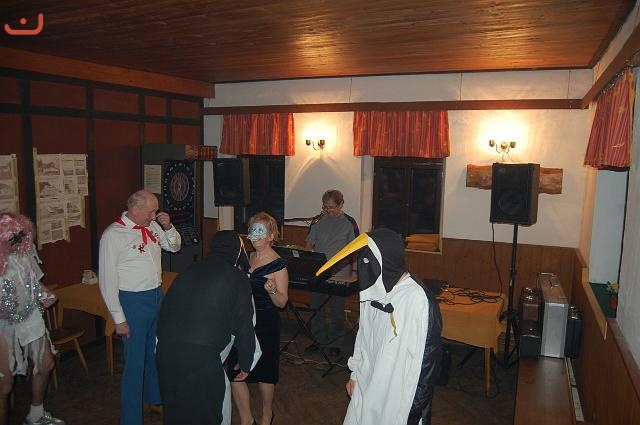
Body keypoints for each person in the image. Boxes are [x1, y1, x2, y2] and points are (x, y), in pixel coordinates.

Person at [316, 228, 443, 425]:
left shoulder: (417, 299)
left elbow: (424, 366)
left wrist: (414, 411)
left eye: (368, 260)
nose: (363, 267)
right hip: (366, 382)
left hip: (397, 394)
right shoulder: (372, 290)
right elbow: (363, 335)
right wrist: (355, 374)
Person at [157, 230, 260, 425]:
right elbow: (244, 324)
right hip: (200, 356)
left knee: (176, 412)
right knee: (207, 413)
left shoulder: (189, 270)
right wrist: (246, 361)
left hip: (165, 350)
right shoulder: (237, 277)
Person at [98, 190, 181, 425]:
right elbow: (107, 281)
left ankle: (155, 399)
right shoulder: (112, 235)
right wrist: (119, 319)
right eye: (151, 211)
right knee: (135, 362)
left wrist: (168, 227)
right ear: (135, 209)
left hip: (156, 296)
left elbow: (174, 247)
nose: (155, 215)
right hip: (132, 302)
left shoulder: (152, 226)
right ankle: (131, 418)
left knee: (156, 352)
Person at [0, 213, 63, 425]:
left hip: (29, 315)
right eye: (15, 239)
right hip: (3, 324)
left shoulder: (25, 252)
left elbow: (33, 282)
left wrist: (45, 294)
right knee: (4, 384)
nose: (21, 243)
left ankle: (36, 415)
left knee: (45, 364)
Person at [229, 212, 288, 425]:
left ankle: (266, 414)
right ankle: (247, 419)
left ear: (271, 236)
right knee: (234, 370)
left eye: (260, 230)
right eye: (252, 230)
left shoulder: (278, 265)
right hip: (242, 321)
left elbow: (282, 302)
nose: (254, 235)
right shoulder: (245, 258)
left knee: (264, 373)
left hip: (265, 324)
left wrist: (272, 290)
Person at [305, 189, 359, 357]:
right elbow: (309, 243)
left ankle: (335, 342)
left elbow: (355, 249)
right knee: (316, 307)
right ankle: (318, 340)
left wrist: (354, 271)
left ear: (341, 204)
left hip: (340, 272)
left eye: (331, 207)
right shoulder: (318, 221)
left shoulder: (349, 223)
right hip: (319, 271)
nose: (328, 210)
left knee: (337, 309)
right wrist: (308, 263)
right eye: (325, 207)